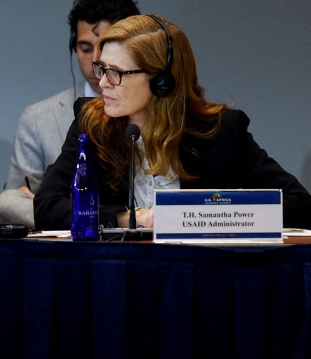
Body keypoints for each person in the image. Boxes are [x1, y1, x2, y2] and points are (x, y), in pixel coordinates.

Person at [34, 14, 311, 230]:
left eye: (116, 72)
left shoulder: (219, 131)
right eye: (101, 69)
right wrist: (130, 217)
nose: (103, 82)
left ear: (161, 81)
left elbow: (300, 205)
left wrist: (207, 214)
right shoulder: (92, 123)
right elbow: (47, 206)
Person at [0, 0, 139, 226]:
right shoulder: (39, 118)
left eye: (105, 47)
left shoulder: (149, 113)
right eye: (85, 48)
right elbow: (17, 202)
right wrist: (51, 206)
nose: (95, 60)